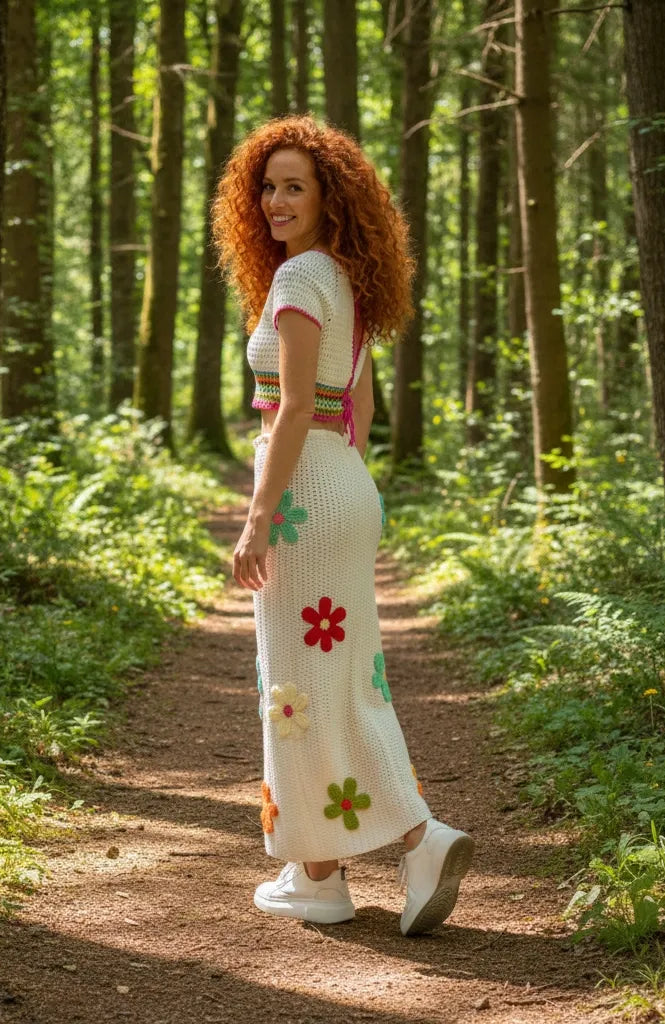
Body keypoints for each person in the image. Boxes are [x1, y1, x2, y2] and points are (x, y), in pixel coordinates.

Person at [212, 115, 473, 936]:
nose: (277, 199)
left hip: (303, 495)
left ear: (331, 197)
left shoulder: (296, 282)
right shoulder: (346, 280)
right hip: (343, 485)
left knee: (293, 688)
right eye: (270, 185)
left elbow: (293, 409)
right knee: (333, 681)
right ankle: (316, 868)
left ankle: (410, 836)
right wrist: (338, 491)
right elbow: (354, 408)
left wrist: (258, 521)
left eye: (297, 185)